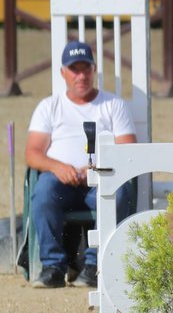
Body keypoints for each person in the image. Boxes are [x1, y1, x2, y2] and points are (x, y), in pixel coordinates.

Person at [25, 41, 137, 289]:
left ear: (93, 69)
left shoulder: (113, 105)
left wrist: (97, 168)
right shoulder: (49, 107)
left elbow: (128, 149)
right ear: (63, 73)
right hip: (60, 180)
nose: (81, 75)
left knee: (118, 194)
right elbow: (32, 153)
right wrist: (57, 167)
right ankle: (53, 267)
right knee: (43, 192)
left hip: (101, 179)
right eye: (74, 69)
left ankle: (95, 265)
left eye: (85, 68)